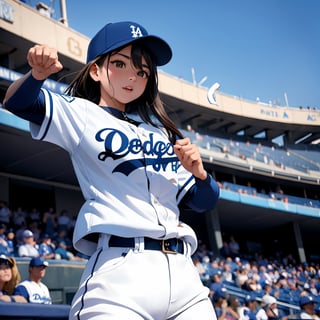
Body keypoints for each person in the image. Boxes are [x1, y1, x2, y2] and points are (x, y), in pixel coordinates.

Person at [3, 20, 220, 319]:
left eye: (142, 71)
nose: (132, 76)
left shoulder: (160, 133)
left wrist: (200, 174)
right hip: (121, 272)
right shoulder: (81, 113)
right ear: (95, 70)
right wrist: (37, 74)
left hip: (185, 279)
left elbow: (203, 200)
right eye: (120, 64)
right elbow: (18, 103)